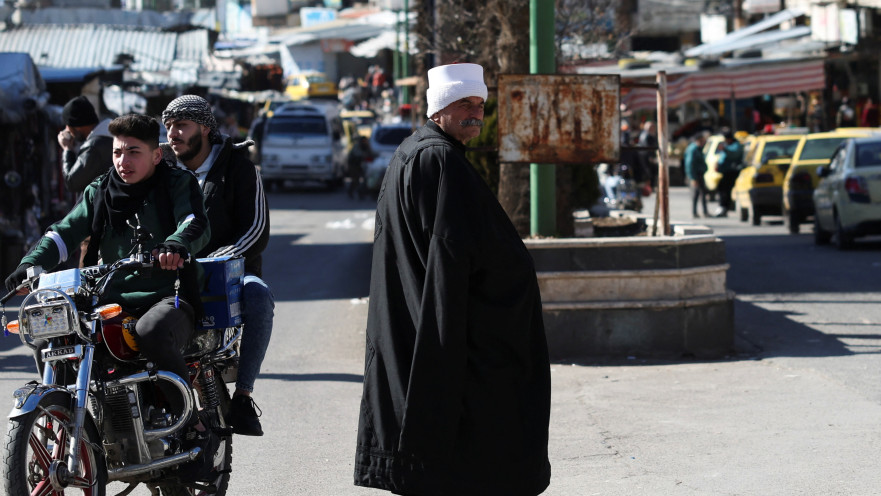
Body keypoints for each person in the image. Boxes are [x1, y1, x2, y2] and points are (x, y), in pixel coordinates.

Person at [354, 63, 551, 495]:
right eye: (465, 103)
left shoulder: (423, 152)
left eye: (480, 103)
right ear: (439, 107)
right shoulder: (437, 159)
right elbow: (449, 261)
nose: (475, 112)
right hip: (444, 342)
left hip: (424, 333)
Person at [5, 113, 210, 416]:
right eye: (117, 152)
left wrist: (175, 244)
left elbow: (194, 223)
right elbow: (64, 232)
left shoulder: (177, 183)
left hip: (169, 294)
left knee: (150, 331)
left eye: (133, 152)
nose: (122, 161)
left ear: (156, 155)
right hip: (106, 299)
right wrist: (31, 263)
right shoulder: (100, 190)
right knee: (54, 332)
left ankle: (189, 419)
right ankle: (71, 419)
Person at [161, 95, 272, 437]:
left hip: (232, 270)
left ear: (205, 129)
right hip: (173, 272)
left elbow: (257, 228)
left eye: (181, 126)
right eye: (168, 127)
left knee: (259, 298)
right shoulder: (162, 169)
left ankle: (243, 396)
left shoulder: (239, 166)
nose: (173, 134)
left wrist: (220, 259)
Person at [58, 96, 114, 195]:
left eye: (68, 125)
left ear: (76, 126)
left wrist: (67, 150)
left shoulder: (93, 147)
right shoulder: (109, 138)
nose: (67, 130)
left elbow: (72, 182)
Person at [713, 128, 744, 217]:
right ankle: (722, 207)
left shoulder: (736, 145)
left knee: (725, 190)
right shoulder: (728, 145)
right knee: (721, 188)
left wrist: (725, 149)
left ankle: (724, 207)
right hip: (725, 172)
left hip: (731, 172)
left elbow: (733, 155)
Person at [684, 131, 710, 218]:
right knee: (696, 194)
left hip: (700, 174)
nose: (704, 143)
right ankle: (694, 212)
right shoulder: (693, 149)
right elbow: (689, 164)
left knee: (703, 193)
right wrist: (692, 178)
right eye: (702, 141)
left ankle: (705, 212)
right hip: (695, 175)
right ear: (698, 140)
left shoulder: (698, 148)